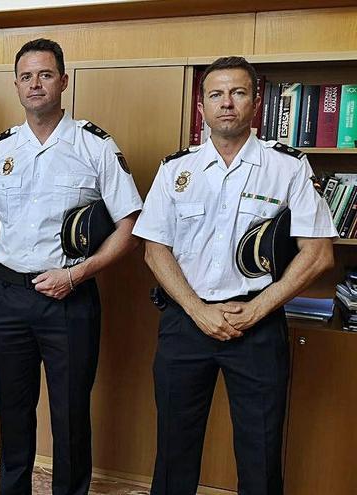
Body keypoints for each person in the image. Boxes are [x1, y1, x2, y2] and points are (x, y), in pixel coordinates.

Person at [133, 56, 336, 495]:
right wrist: (198, 311)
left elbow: (318, 254)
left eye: (239, 93)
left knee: (261, 452)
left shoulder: (288, 167)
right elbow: (153, 249)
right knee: (173, 451)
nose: (227, 103)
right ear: (201, 106)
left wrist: (257, 309)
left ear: (256, 103)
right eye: (216, 94)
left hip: (258, 326)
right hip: (185, 325)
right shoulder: (176, 170)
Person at [0, 38, 143, 495]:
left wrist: (76, 275)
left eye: (45, 75)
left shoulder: (94, 146)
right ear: (17, 86)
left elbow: (130, 224)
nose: (35, 84)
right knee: (13, 411)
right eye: (26, 77)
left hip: (69, 298)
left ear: (63, 81)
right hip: (5, 298)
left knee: (69, 413)